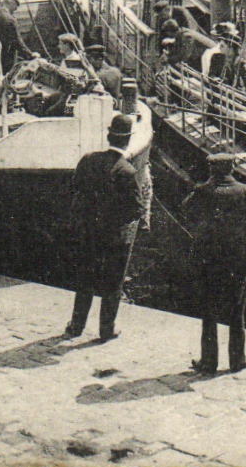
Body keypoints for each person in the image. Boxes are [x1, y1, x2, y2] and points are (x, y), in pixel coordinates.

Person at [182, 153, 246, 374]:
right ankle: (237, 360)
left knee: (209, 311)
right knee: (237, 310)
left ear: (212, 169)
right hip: (238, 260)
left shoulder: (202, 191)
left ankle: (208, 361)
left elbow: (186, 212)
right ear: (232, 168)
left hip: (208, 259)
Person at [63, 113, 143, 343]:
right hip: (115, 238)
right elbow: (136, 209)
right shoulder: (127, 171)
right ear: (128, 140)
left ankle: (76, 326)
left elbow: (74, 189)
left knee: (85, 280)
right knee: (113, 284)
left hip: (88, 232)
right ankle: (106, 330)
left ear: (109, 136)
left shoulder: (88, 160)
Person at [0, 0, 36, 68]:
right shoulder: (10, 19)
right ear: (11, 4)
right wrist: (31, 55)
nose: (15, 10)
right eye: (15, 8)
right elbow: (17, 41)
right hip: (4, 55)